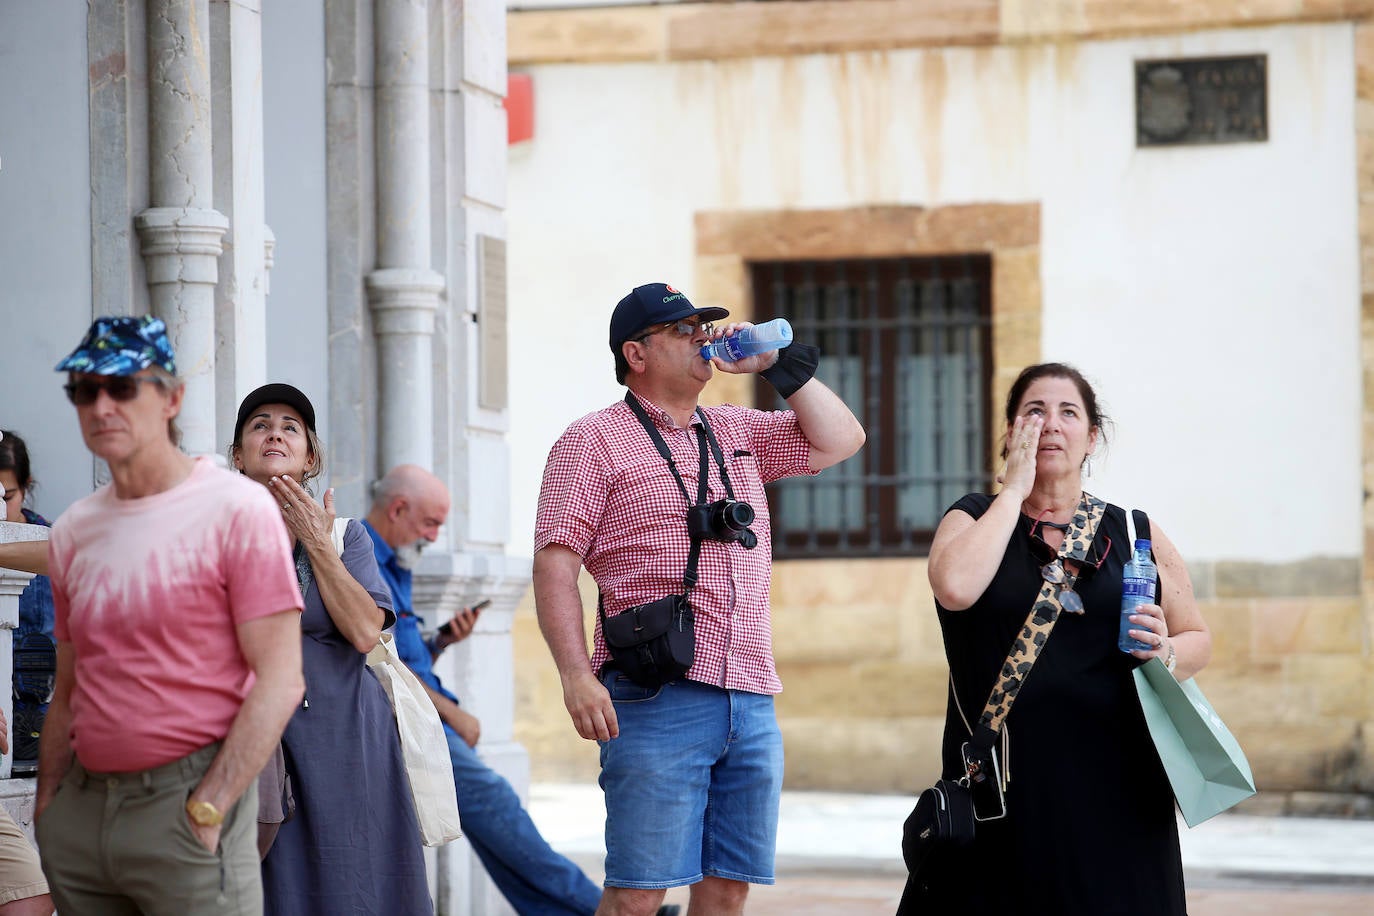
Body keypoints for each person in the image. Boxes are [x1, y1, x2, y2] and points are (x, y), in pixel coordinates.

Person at [532, 283, 865, 916]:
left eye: (703, 327)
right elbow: (555, 564)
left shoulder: (735, 427)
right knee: (638, 893)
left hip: (750, 692)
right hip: (657, 692)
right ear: (636, 352)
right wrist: (575, 676)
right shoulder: (591, 442)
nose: (704, 340)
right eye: (683, 331)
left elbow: (841, 439)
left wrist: (778, 368)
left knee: (727, 889)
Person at [899, 362, 1212, 913]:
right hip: (1009, 788)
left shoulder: (1135, 530)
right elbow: (954, 588)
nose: (1051, 425)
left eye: (1069, 413)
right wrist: (1015, 489)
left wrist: (1163, 649)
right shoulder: (972, 517)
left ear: (1092, 437)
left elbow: (1196, 639)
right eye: (1034, 412)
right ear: (1010, 432)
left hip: (1122, 787)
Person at [34, 315, 306, 915]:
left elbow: (282, 679)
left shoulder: (234, 509)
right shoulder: (76, 527)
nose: (101, 404)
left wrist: (209, 807)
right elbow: (71, 685)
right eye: (84, 389)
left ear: (172, 399)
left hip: (186, 803)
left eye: (124, 387)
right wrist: (50, 808)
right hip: (83, 811)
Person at [362, 465, 623, 916]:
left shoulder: (397, 563)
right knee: (497, 809)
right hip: (411, 724)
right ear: (398, 508)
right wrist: (454, 713)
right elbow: (380, 665)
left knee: (494, 826)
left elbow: (403, 654)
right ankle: (598, 909)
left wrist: (441, 641)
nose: (435, 535)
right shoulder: (363, 557)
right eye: (431, 522)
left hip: (422, 719)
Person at [229, 384, 431, 914]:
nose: (274, 432)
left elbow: (366, 632)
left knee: (353, 882)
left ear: (311, 456)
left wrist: (317, 545)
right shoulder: (217, 534)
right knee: (271, 887)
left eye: (290, 426)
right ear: (237, 456)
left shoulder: (349, 537)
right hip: (257, 739)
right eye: (260, 424)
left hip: (348, 741)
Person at [0, 430, 56, 774]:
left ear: (26, 486)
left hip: (43, 701)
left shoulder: (51, 539)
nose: (4, 506)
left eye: (10, 495)